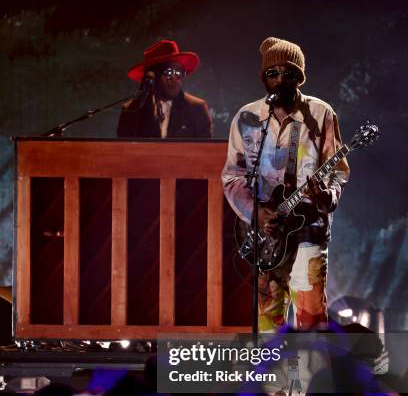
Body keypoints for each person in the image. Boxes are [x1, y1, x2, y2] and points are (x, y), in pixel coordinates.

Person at [222, 36, 350, 332]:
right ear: (263, 77)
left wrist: (327, 196)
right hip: (266, 235)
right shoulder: (247, 117)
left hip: (307, 231)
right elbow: (232, 176)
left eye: (289, 73)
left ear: (300, 78)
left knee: (311, 319)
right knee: (268, 321)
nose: (280, 79)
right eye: (273, 73)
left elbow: (339, 169)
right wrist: (256, 212)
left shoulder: (320, 114)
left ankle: (310, 378)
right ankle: (272, 380)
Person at [117, 39, 213, 139]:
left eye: (179, 72)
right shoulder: (131, 110)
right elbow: (122, 151)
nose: (176, 78)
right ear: (152, 76)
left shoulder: (196, 109)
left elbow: (206, 152)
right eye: (169, 72)